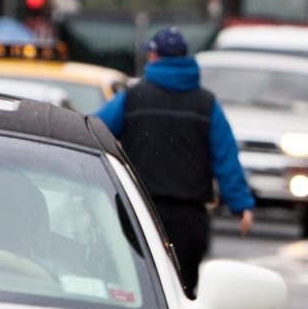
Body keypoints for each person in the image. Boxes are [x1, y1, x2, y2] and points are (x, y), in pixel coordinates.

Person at [95, 27, 255, 295]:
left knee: (139, 285)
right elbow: (225, 157)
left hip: (140, 210)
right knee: (181, 290)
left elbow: (95, 131)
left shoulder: (134, 97)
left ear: (155, 56)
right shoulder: (206, 104)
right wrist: (241, 205)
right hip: (189, 217)